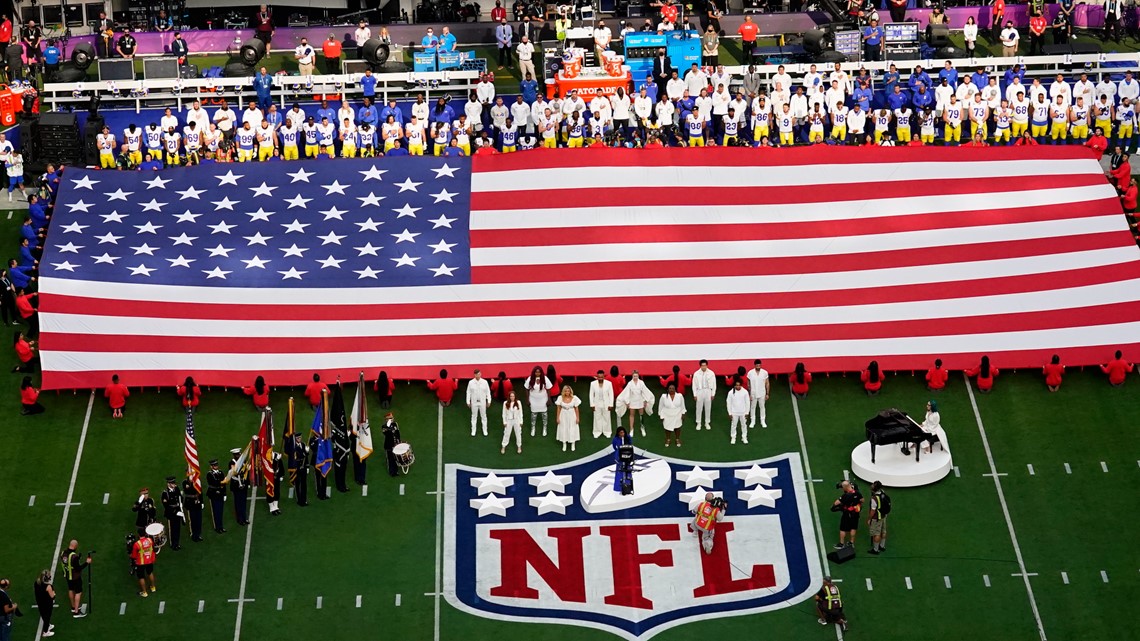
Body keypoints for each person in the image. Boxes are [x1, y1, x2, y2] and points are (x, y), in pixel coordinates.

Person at [616, 371, 654, 437]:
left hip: (640, 401)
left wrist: (645, 400)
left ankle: (642, 428)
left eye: (636, 376)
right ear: (632, 376)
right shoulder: (630, 384)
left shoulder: (641, 383)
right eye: (634, 376)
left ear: (638, 376)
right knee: (631, 415)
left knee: (641, 415)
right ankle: (631, 429)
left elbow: (645, 391)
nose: (635, 377)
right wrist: (627, 402)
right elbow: (627, 392)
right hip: (632, 401)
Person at [59, 542, 90, 618]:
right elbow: (78, 568)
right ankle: (76, 612)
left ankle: (73, 607)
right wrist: (87, 563)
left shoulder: (63, 553)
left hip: (67, 576)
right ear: (75, 546)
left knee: (71, 589)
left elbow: (67, 563)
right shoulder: (74, 556)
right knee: (78, 592)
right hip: (75, 577)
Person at [833, 480, 863, 549]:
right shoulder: (857, 493)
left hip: (847, 514)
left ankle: (841, 544)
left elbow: (836, 503)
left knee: (843, 528)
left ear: (845, 487)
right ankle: (851, 542)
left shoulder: (845, 496)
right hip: (855, 513)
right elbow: (862, 500)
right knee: (853, 527)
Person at [524, 365, 552, 437]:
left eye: (539, 372)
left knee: (544, 414)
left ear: (541, 373)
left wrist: (549, 399)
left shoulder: (545, 378)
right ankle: (533, 428)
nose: (537, 374)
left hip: (543, 398)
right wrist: (527, 399)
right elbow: (526, 389)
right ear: (534, 372)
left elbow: (548, 389)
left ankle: (544, 428)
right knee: (534, 414)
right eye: (536, 372)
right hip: (533, 399)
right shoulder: (530, 378)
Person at [554, 385, 581, 452]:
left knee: (572, 427)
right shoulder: (560, 398)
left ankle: (573, 443)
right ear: (563, 391)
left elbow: (576, 409)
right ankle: (564, 443)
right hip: (563, 414)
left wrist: (577, 418)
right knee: (563, 427)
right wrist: (557, 418)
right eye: (565, 391)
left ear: (570, 391)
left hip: (572, 414)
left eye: (568, 391)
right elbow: (558, 408)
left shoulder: (574, 398)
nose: (567, 392)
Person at [129, 531, 157, 597]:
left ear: (138, 535)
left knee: (141, 577)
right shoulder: (150, 540)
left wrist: (130, 555)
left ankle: (144, 592)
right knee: (150, 573)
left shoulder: (137, 544)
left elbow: (134, 556)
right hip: (149, 560)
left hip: (140, 562)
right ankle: (153, 587)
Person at [658, 383, 686, 447]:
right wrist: (661, 415)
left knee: (677, 427)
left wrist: (683, 414)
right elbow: (660, 406)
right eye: (670, 388)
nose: (671, 390)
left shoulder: (680, 396)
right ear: (667, 389)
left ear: (675, 389)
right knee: (667, 428)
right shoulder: (663, 396)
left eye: (673, 388)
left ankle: (677, 439)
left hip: (677, 414)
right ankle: (668, 439)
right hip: (667, 414)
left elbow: (683, 406)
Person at [691, 359, 716, 431]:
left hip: (708, 390)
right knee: (699, 408)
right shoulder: (696, 374)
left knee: (708, 407)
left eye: (705, 365)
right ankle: (698, 422)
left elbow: (714, 384)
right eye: (702, 365)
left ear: (707, 365)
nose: (704, 367)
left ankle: (707, 422)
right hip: (699, 391)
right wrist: (695, 394)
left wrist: (713, 393)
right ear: (700, 366)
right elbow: (694, 385)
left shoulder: (711, 373)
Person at [589, 369, 614, 439]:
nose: (600, 378)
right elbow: (591, 394)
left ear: (604, 377)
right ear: (597, 377)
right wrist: (592, 404)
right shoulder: (593, 384)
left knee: (607, 417)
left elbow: (611, 394)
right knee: (597, 418)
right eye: (599, 377)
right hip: (597, 403)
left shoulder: (609, 383)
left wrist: (611, 404)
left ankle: (607, 432)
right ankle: (597, 432)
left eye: (601, 377)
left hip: (606, 403)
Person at [466, 369, 491, 437]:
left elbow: (488, 392)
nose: (478, 375)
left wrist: (489, 401)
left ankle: (485, 430)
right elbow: (468, 392)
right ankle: (473, 430)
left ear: (480, 374)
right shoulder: (471, 382)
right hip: (474, 402)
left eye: (479, 374)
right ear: (474, 375)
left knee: (484, 416)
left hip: (482, 402)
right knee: (474, 416)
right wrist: (468, 401)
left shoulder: (485, 382)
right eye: (476, 374)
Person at [866, 480, 890, 554]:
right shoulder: (882, 492)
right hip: (883, 516)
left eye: (873, 485)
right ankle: (882, 546)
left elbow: (873, 511)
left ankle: (876, 549)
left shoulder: (874, 498)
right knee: (883, 531)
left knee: (876, 533)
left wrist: (869, 519)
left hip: (876, 518)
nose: (871, 485)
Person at [745, 359, 770, 428]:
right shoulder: (750, 373)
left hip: (762, 393)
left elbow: (767, 383)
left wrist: (767, 393)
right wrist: (749, 393)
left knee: (762, 407)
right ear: (755, 365)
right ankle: (753, 421)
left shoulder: (764, 372)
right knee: (752, 407)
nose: (758, 366)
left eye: (759, 365)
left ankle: (763, 420)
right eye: (757, 365)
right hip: (753, 393)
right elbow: (748, 384)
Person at [725, 378, 750, 445]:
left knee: (744, 425)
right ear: (734, 385)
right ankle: (733, 437)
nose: (738, 387)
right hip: (734, 412)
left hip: (743, 412)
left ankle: (744, 437)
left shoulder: (745, 392)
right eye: (736, 385)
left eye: (739, 385)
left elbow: (747, 402)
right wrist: (730, 413)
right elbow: (728, 403)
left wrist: (747, 412)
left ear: (741, 385)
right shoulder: (730, 393)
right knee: (733, 425)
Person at [205, 459, 226, 533]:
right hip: (214, 494)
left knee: (220, 511)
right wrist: (223, 481)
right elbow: (214, 482)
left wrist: (224, 494)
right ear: (211, 466)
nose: (216, 466)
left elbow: (224, 484)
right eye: (214, 465)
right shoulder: (209, 474)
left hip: (220, 493)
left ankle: (221, 526)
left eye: (216, 465)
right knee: (216, 511)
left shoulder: (221, 472)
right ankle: (217, 527)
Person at [33, 570, 55, 637]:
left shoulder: (36, 582)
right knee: (47, 617)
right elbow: (52, 596)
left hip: (40, 601)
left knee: (43, 614)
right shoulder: (48, 586)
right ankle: (45, 631)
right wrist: (54, 593)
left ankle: (47, 625)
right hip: (47, 603)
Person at [181, 476, 203, 542]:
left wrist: (201, 501)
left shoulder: (197, 481)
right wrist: (192, 482)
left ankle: (198, 534)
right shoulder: (185, 482)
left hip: (198, 503)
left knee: (199, 519)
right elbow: (188, 490)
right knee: (192, 520)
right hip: (190, 503)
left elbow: (200, 491)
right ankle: (193, 535)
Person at [501, 390, 523, 454]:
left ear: (515, 397)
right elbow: (504, 413)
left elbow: (521, 412)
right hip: (509, 420)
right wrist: (504, 422)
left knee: (518, 433)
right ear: (509, 397)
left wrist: (521, 421)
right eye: (511, 396)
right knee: (507, 433)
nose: (512, 397)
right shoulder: (505, 403)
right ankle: (503, 446)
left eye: (513, 396)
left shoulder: (518, 402)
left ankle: (519, 446)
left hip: (517, 420)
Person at [381, 412, 401, 477]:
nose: (392, 419)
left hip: (396, 445)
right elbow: (387, 434)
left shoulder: (395, 424)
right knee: (390, 459)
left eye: (392, 418)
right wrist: (388, 425)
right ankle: (392, 472)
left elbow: (397, 433)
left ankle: (396, 471)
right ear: (386, 420)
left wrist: (399, 442)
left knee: (396, 458)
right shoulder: (384, 427)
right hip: (389, 446)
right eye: (390, 418)